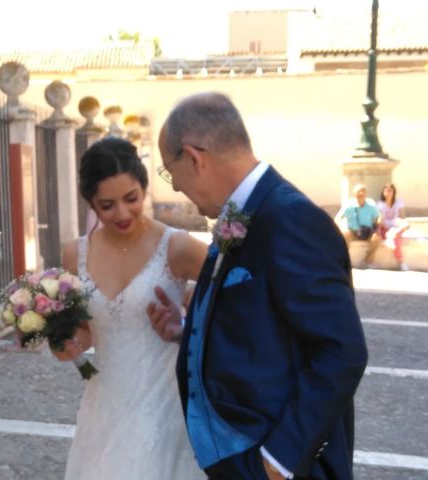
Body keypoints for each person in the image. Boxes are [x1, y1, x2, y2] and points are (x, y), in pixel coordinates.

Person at [147, 92, 368, 480]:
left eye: (170, 172)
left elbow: (342, 350)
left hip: (276, 461)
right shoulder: (240, 212)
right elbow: (261, 325)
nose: (176, 187)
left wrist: (278, 460)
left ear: (194, 157)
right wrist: (190, 333)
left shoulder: (291, 219)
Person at [53, 136, 209, 479]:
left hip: (164, 404)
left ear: (144, 188)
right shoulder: (73, 254)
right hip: (104, 405)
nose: (122, 213)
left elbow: (239, 293)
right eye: (107, 205)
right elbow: (84, 334)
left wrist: (190, 313)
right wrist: (64, 343)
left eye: (131, 199)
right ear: (91, 203)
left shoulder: (178, 246)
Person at [334, 183, 381, 267]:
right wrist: (340, 227)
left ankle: (367, 261)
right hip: (353, 232)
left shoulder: (370, 205)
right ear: (354, 194)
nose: (361, 194)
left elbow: (378, 216)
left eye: (363, 191)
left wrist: (378, 225)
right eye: (358, 192)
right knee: (344, 236)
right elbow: (338, 218)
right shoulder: (349, 205)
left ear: (365, 193)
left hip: (367, 232)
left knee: (377, 238)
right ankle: (343, 262)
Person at [377, 182, 410, 271]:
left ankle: (392, 236)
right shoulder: (380, 204)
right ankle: (401, 262)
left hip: (396, 227)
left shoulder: (399, 202)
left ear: (394, 192)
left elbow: (402, 216)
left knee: (405, 225)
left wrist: (401, 225)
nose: (388, 193)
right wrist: (389, 229)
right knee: (396, 239)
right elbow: (380, 221)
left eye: (390, 191)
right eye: (386, 191)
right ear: (383, 192)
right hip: (386, 227)